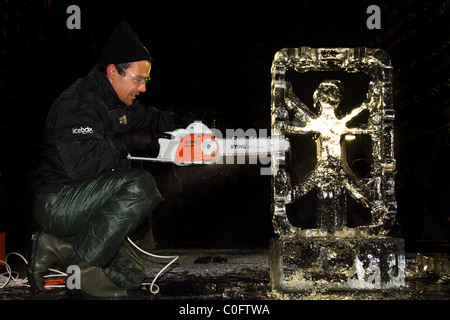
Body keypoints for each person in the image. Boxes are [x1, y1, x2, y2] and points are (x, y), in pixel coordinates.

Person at [28, 21, 183, 298]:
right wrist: (129, 141)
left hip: (85, 208)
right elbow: (81, 165)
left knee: (131, 275)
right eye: (138, 79)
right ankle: (84, 268)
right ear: (113, 71)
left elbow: (151, 117)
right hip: (59, 201)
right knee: (140, 186)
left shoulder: (117, 103)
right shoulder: (76, 103)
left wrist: (187, 125)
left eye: (146, 80)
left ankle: (58, 245)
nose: (143, 88)